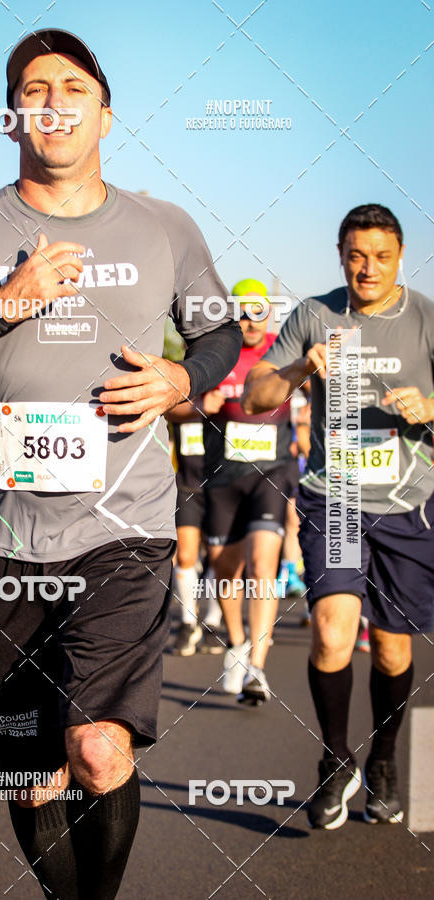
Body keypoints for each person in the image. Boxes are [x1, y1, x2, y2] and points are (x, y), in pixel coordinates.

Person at [0, 29, 241, 898]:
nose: (53, 102)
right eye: (33, 89)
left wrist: (184, 378)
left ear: (105, 115)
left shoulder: (164, 225)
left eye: (74, 88)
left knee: (99, 749)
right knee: (34, 773)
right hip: (6, 537)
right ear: (10, 120)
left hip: (127, 529)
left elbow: (220, 334)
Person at [242, 203, 434, 829]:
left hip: (409, 508)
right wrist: (301, 367)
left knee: (393, 651)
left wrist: (429, 406)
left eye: (381, 257)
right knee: (331, 632)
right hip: (338, 499)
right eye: (356, 256)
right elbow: (255, 396)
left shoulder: (425, 317)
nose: (367, 268)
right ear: (341, 256)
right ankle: (333, 759)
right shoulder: (315, 315)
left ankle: (383, 759)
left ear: (400, 258)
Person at [202, 279, 298, 704]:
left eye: (259, 312)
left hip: (271, 474)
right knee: (225, 570)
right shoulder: (216, 351)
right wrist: (201, 403)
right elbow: (179, 403)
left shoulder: (283, 352)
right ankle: (237, 643)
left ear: (269, 314)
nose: (251, 321)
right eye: (243, 313)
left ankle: (257, 667)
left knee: (262, 567)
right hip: (223, 477)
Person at [166, 393, 225, 656]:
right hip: (187, 487)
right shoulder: (181, 395)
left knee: (218, 559)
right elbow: (167, 411)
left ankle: (213, 622)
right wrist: (197, 407)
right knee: (186, 556)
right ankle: (188, 622)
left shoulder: (222, 393)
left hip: (221, 488)